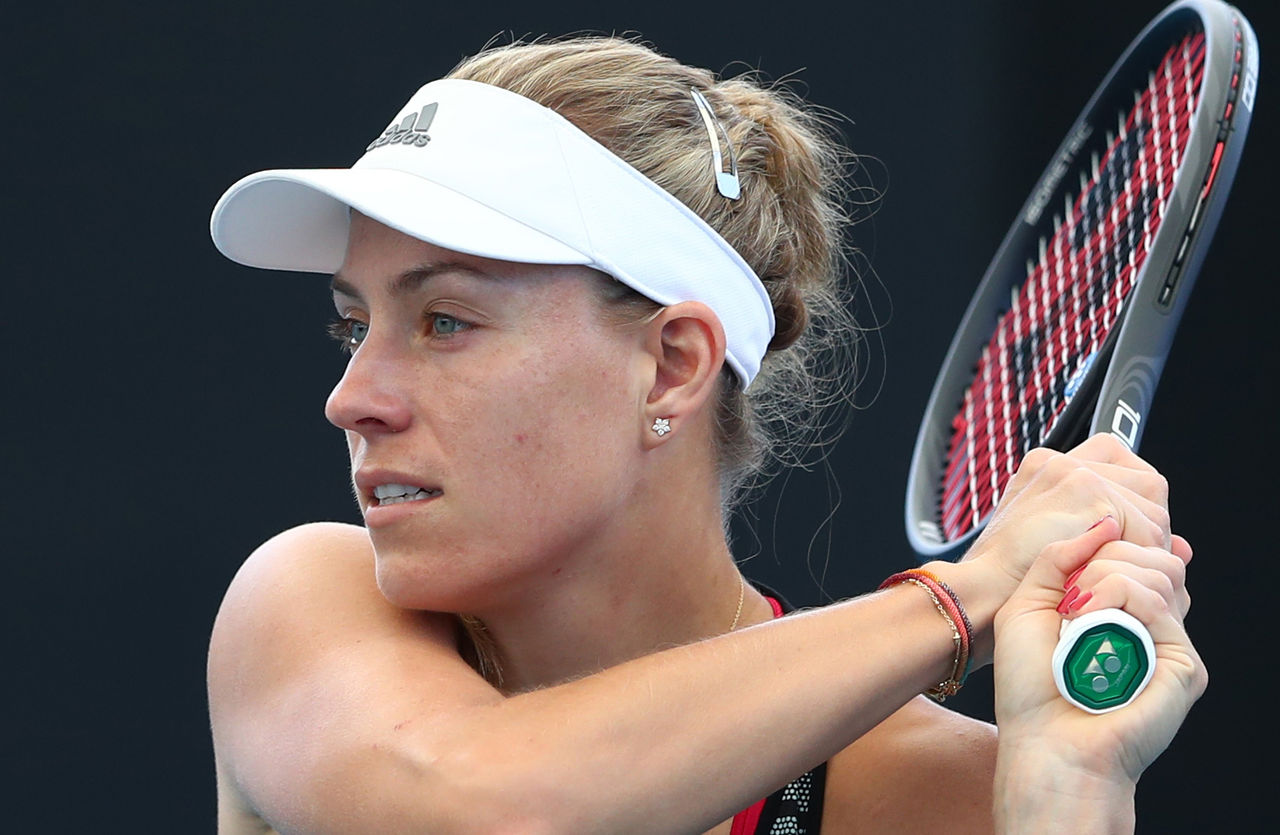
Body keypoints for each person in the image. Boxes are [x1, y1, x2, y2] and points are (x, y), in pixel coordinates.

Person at [206, 36, 1202, 834]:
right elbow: (497, 806)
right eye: (353, 323)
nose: (353, 395)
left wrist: (1062, 799)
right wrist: (963, 594)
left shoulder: (941, 795)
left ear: (673, 364)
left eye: (444, 322)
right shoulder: (303, 606)